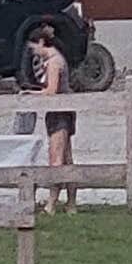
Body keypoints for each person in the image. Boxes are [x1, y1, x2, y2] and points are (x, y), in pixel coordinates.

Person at [20, 20, 79, 213]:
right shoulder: (56, 60)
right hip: (62, 111)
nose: (34, 52)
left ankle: (51, 204)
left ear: (42, 43)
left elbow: (52, 90)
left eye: (34, 47)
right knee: (67, 157)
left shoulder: (54, 63)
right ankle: (71, 203)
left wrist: (31, 94)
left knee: (56, 158)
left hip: (59, 112)